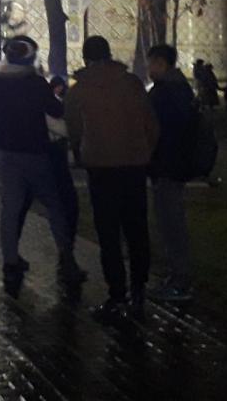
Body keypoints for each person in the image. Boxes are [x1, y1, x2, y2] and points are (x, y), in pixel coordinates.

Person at [66, 35, 160, 321]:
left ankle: (117, 294)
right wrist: (145, 152)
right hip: (133, 166)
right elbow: (151, 125)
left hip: (101, 167)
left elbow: (74, 129)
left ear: (85, 58)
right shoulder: (132, 84)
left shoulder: (79, 90)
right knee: (136, 229)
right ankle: (139, 288)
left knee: (108, 233)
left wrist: (82, 154)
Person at [0, 37, 86, 296]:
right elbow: (55, 109)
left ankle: (10, 262)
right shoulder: (35, 84)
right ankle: (67, 259)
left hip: (8, 153)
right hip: (36, 153)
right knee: (54, 206)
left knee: (10, 208)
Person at [145, 43, 197, 303]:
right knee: (170, 222)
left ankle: (180, 281)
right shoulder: (178, 89)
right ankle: (177, 276)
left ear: (161, 64)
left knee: (172, 224)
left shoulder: (166, 93)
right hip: (171, 165)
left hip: (168, 166)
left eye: (151, 63)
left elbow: (160, 131)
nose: (149, 68)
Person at [15, 75, 79, 248]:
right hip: (49, 156)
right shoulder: (45, 108)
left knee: (21, 205)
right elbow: (63, 129)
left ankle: (12, 251)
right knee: (60, 203)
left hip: (30, 158)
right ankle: (66, 251)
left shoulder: (24, 104)